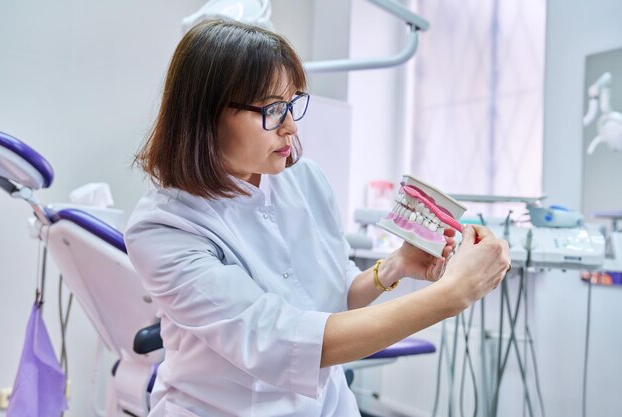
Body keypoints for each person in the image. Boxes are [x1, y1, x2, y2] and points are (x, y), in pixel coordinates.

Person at [125, 19, 511, 417]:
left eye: (291, 104)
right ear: (206, 115)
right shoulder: (164, 227)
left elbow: (333, 292)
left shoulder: (302, 178)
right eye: (273, 109)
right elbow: (277, 340)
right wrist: (452, 295)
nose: (291, 126)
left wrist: (396, 265)